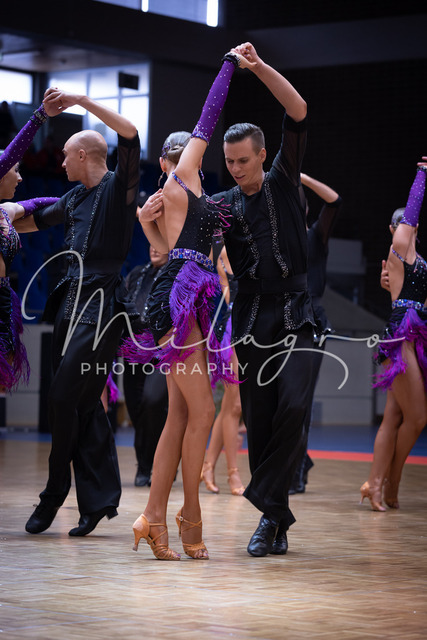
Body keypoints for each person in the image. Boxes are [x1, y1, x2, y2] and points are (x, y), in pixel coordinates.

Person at [122, 51, 242, 561]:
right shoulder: (182, 179)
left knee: (179, 415)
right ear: (172, 160)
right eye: (181, 151)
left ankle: (152, 517)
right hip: (180, 299)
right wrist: (230, 66)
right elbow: (209, 116)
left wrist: (146, 223)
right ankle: (188, 518)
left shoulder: (180, 195)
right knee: (203, 411)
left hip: (187, 292)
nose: (191, 152)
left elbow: (163, 249)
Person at [12, 88, 141, 536]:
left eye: (66, 156)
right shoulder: (73, 198)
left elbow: (130, 133)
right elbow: (34, 220)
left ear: (83, 154)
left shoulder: (119, 188)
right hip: (69, 305)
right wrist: (6, 217)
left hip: (103, 307)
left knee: (63, 397)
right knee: (83, 404)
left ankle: (54, 493)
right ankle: (98, 500)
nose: (61, 163)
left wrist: (82, 101)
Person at [213, 42, 315, 557]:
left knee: (293, 408)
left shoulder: (282, 179)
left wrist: (257, 69)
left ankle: (268, 508)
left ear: (261, 155)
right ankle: (273, 520)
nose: (235, 168)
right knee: (260, 417)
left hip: (298, 313)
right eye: (229, 161)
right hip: (250, 318)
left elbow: (297, 110)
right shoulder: (221, 205)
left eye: (242, 159)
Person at [360, 159, 427, 511]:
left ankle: (375, 484)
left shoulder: (418, 260)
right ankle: (391, 481)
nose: (407, 226)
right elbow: (411, 213)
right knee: (417, 418)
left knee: (394, 417)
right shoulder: (398, 249)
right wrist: (422, 174)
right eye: (401, 224)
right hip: (400, 337)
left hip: (416, 336)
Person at [0, 101, 60, 392]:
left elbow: (38, 203)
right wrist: (39, 116)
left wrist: (83, 197)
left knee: (2, 382)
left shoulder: (6, 212)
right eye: (15, 170)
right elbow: (11, 154)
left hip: (3, 298)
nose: (20, 177)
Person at [289, 172, 342, 494]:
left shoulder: (315, 236)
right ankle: (298, 460)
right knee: (284, 399)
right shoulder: (280, 242)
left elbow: (334, 201)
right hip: (283, 317)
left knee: (302, 399)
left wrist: (301, 177)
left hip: (313, 318)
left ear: (305, 210)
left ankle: (296, 470)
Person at [123, 244, 169, 487]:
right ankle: (148, 464)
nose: (153, 248)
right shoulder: (137, 273)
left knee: (153, 402)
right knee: (136, 409)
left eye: (160, 243)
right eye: (151, 243)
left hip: (162, 351)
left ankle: (150, 466)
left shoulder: (174, 274)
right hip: (132, 350)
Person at [201, 244, 245, 496]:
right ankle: (233, 472)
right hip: (233, 327)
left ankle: (208, 466)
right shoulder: (225, 250)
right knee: (234, 405)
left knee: (230, 405)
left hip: (254, 325)